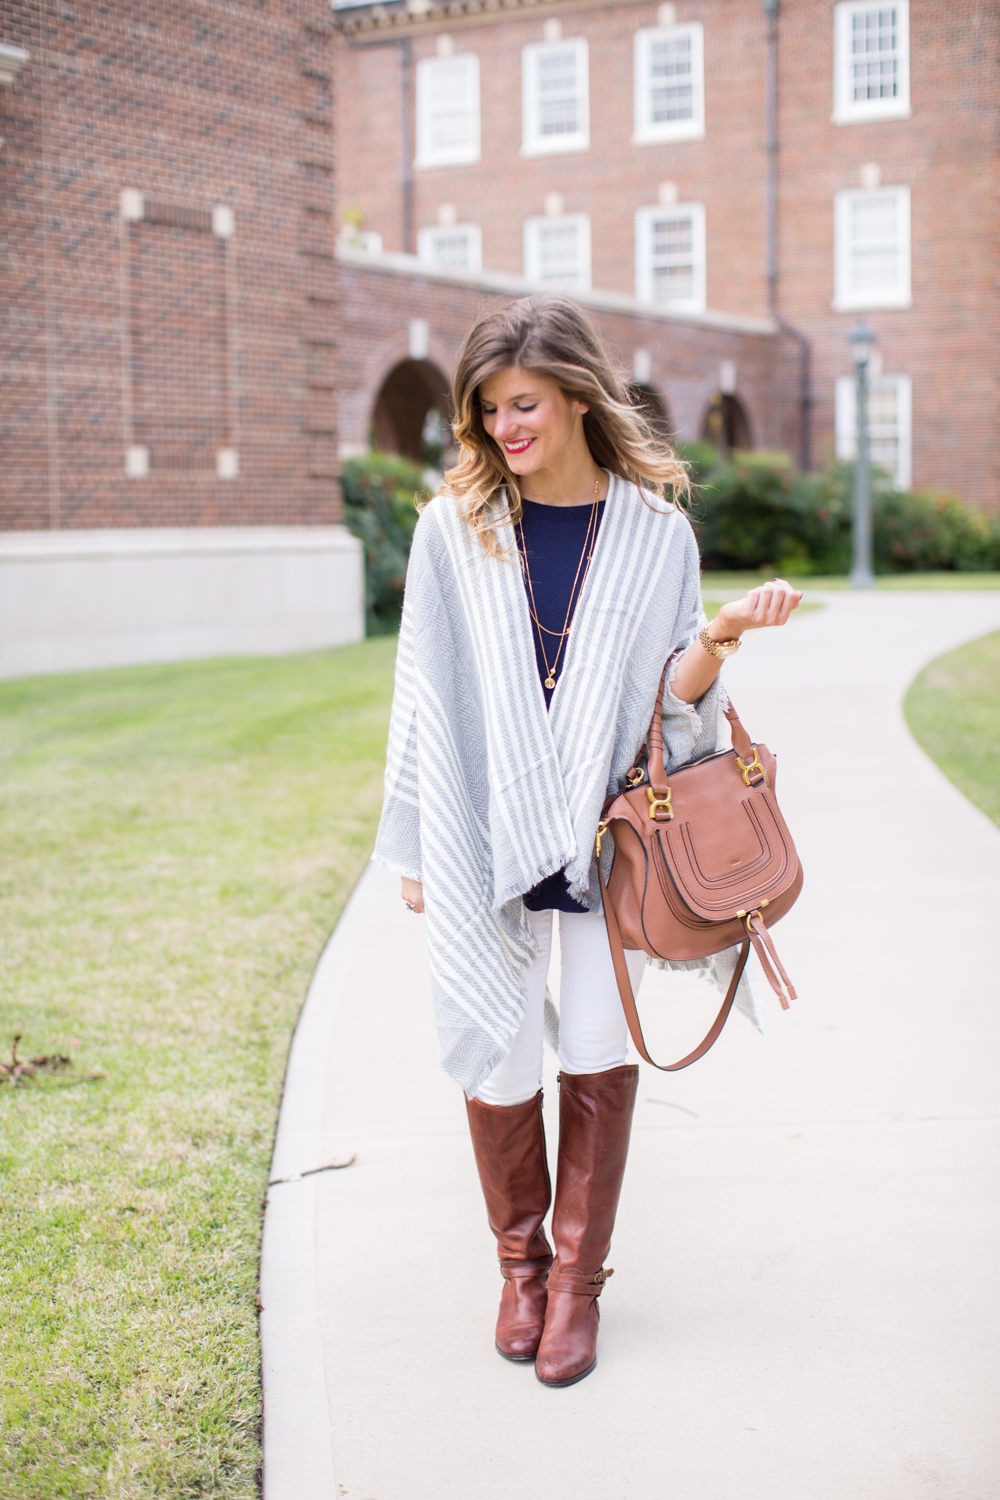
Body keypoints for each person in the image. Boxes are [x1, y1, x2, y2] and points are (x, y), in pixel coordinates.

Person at [374, 295, 800, 1389]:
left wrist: (717, 637)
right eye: (488, 411)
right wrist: (418, 846)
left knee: (597, 1050)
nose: (505, 428)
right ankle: (517, 1267)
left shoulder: (657, 532)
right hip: (484, 831)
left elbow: (672, 710)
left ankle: (575, 1285)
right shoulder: (451, 528)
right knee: (495, 1046)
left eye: (523, 405)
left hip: (608, 838)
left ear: (573, 397)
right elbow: (422, 693)